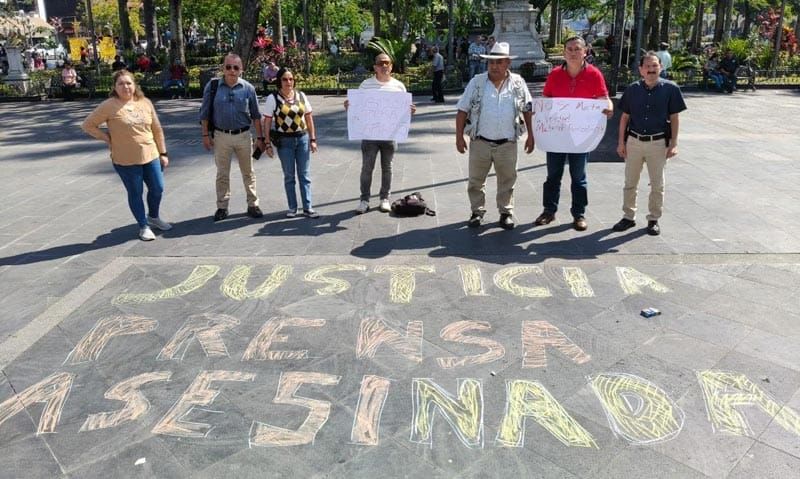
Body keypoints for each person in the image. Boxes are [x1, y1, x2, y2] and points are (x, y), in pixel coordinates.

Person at [533, 36, 614, 231]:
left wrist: (609, 107)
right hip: (557, 135)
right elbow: (546, 100)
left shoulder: (594, 75)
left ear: (585, 51)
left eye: (577, 49)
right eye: (569, 49)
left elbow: (604, 98)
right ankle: (549, 211)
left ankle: (579, 214)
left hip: (581, 136)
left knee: (579, 177)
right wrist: (538, 110)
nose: (573, 52)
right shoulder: (554, 75)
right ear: (564, 52)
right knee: (553, 175)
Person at [81, 70, 171, 241]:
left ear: (134, 85)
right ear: (115, 87)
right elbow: (88, 125)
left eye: (128, 83)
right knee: (135, 192)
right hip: (125, 159)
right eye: (121, 83)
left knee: (157, 188)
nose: (125, 87)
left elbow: (157, 129)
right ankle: (143, 226)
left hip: (150, 154)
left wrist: (163, 152)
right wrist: (107, 138)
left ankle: (153, 216)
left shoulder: (145, 102)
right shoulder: (109, 105)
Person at [455, 42, 534, 230]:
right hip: (480, 141)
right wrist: (459, 137)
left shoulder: (518, 83)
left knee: (508, 180)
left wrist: (531, 135)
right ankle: (477, 211)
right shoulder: (477, 82)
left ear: (507, 63)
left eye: (499, 62)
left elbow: (528, 109)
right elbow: (462, 110)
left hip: (507, 142)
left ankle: (506, 212)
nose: (494, 66)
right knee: (475, 180)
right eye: (491, 62)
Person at [613, 52, 687, 236]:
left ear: (660, 68)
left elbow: (675, 118)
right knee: (630, 181)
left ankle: (653, 219)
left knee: (657, 184)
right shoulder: (632, 89)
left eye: (655, 66)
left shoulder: (671, 89)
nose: (651, 70)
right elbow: (624, 118)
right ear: (641, 69)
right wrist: (621, 142)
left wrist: (674, 143)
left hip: (658, 143)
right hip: (634, 141)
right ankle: (628, 216)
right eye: (647, 66)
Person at [345, 53, 416, 214]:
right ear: (375, 67)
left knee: (387, 168)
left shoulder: (399, 86)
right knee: (367, 168)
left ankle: (385, 198)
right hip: (370, 135)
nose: (384, 66)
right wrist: (350, 106)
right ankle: (364, 200)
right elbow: (358, 107)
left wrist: (410, 111)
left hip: (390, 135)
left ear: (391, 66)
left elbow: (404, 110)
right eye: (380, 63)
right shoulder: (366, 85)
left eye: (387, 63)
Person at [199, 53, 266, 221]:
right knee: (222, 173)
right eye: (228, 67)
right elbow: (205, 113)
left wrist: (260, 138)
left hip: (243, 135)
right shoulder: (213, 86)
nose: (232, 70)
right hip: (221, 136)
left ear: (241, 70)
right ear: (223, 68)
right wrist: (205, 135)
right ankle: (222, 206)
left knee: (248, 172)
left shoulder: (248, 88)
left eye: (236, 67)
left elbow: (256, 115)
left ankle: (253, 204)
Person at [263, 67, 320, 218]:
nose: (288, 82)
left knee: (304, 175)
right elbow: (267, 122)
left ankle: (308, 207)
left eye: (291, 79)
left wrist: (313, 139)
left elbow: (308, 117)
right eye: (285, 79)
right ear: (279, 81)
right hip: (284, 141)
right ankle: (292, 207)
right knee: (289, 175)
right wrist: (267, 143)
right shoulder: (273, 98)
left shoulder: (301, 96)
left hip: (302, 139)